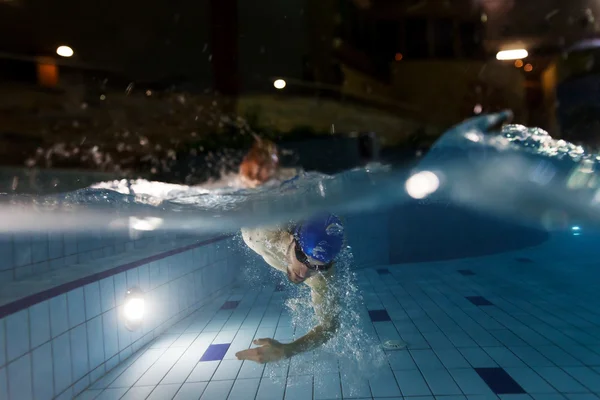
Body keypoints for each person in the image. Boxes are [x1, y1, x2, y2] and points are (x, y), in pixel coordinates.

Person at [235, 213, 345, 363]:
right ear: (293, 239)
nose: (305, 272)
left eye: (317, 267)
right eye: (302, 258)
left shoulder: (320, 277)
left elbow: (330, 326)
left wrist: (288, 350)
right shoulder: (268, 228)